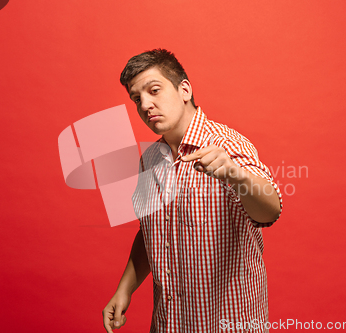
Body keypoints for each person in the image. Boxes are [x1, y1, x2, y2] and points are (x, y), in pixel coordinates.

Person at [103, 49, 283, 333]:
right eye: (137, 99)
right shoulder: (149, 160)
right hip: (168, 323)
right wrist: (125, 288)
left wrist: (235, 175)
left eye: (154, 90)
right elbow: (151, 232)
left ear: (184, 89)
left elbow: (271, 209)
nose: (146, 105)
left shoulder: (228, 145)